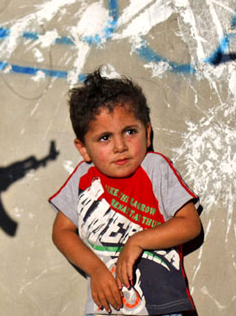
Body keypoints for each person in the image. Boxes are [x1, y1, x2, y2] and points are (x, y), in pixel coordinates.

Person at [49, 70, 202, 316]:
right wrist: (95, 270)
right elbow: (61, 232)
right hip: (106, 308)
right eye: (104, 138)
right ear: (83, 149)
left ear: (147, 134)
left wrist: (138, 241)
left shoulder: (155, 167)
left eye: (130, 131)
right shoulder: (83, 177)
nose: (120, 146)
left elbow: (190, 224)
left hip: (161, 307)